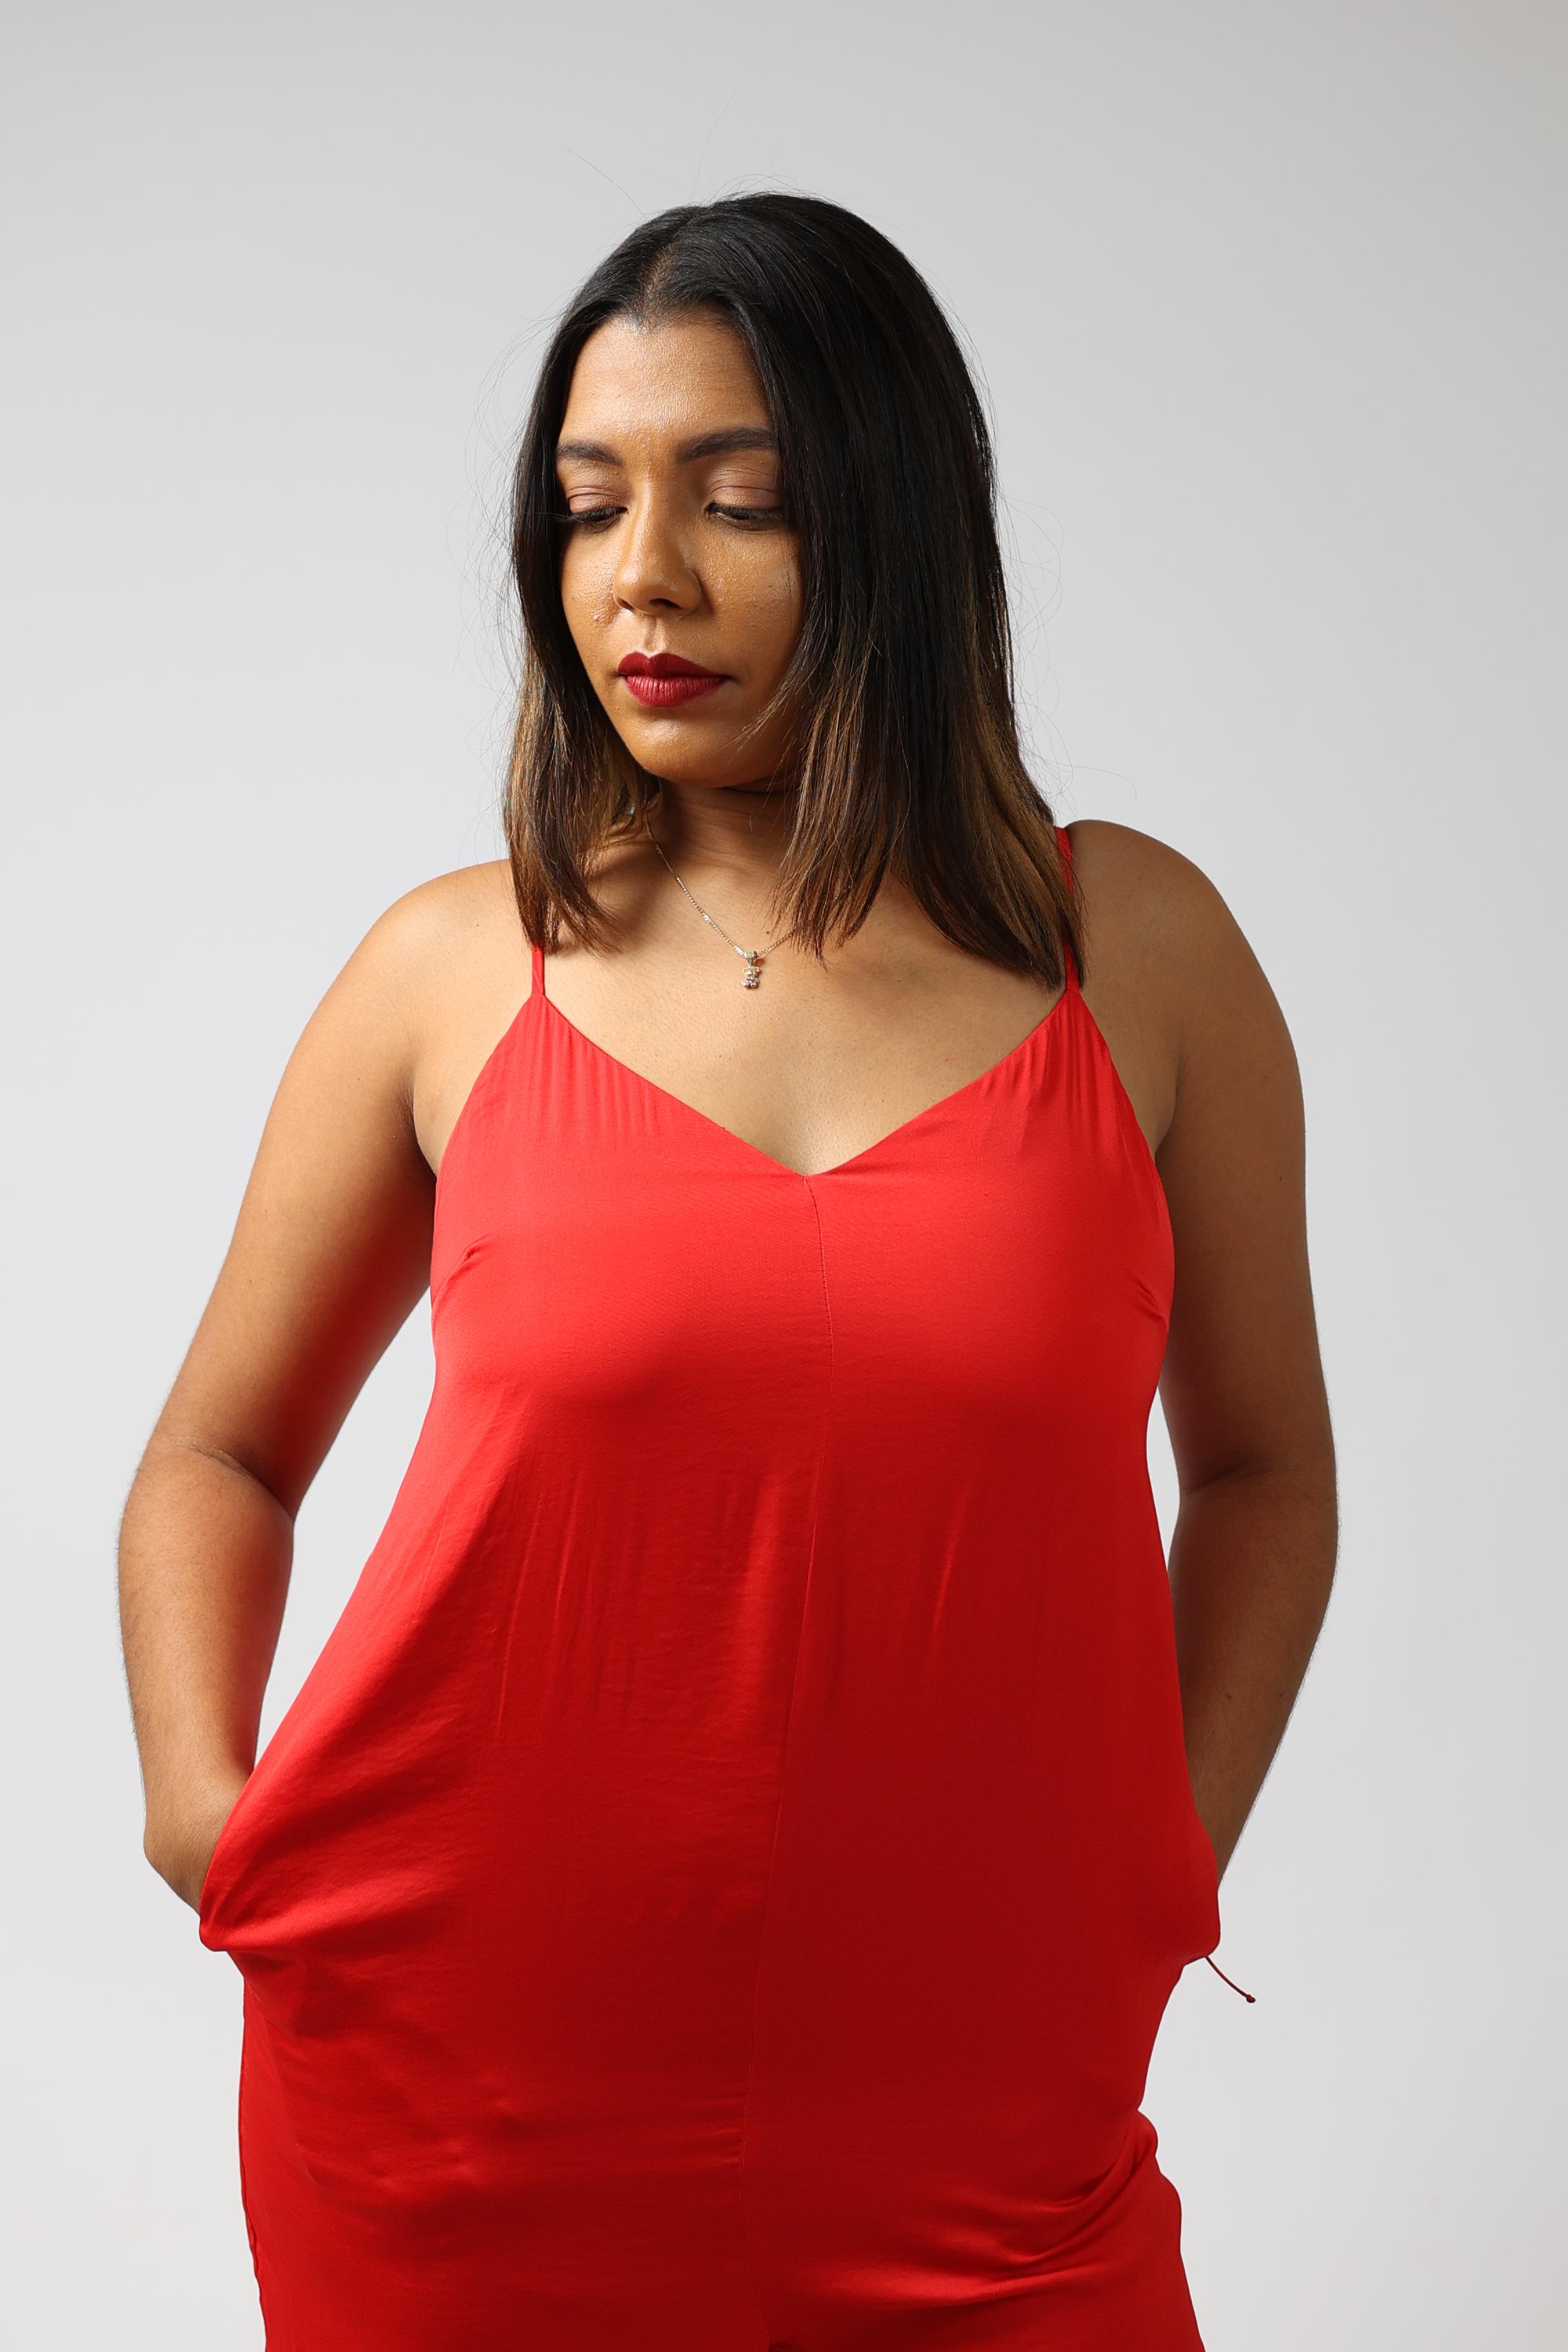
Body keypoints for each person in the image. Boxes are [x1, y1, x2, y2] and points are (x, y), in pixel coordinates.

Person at [118, 191, 1337, 2351]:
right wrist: (207, 1814)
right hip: (462, 2108)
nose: (642, 577)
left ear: (897, 527)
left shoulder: (1137, 956)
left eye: (739, 501)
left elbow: (1260, 1472)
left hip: (988, 2120)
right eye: (590, 506)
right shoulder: (452, 973)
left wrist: (1162, 1856)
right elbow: (219, 1453)